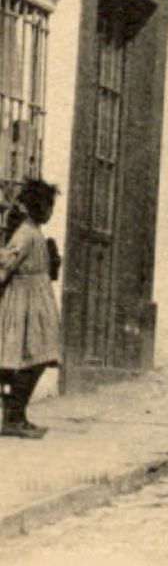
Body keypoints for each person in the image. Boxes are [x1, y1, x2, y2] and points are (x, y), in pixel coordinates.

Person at [0, 179, 62, 435]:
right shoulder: (25, 234)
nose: (48, 211)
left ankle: (17, 417)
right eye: (45, 205)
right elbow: (6, 264)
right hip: (24, 302)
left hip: (37, 301)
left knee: (38, 357)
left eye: (50, 206)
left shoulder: (34, 232)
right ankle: (13, 419)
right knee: (27, 358)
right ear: (31, 207)